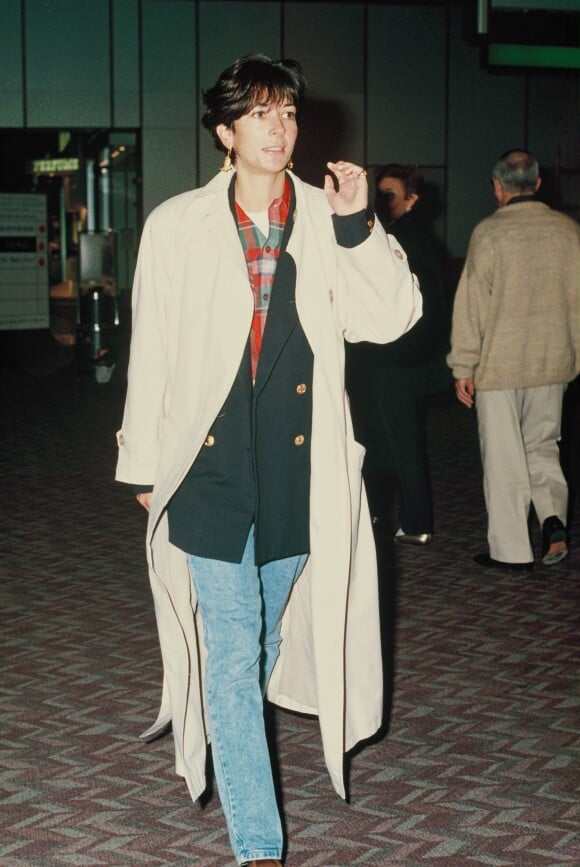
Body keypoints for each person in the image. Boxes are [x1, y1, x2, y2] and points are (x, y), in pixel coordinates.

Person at [115, 55, 422, 866]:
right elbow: (154, 349)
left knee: (256, 640)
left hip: (298, 468)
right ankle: (258, 843)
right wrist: (145, 465)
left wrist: (360, 225)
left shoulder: (327, 216)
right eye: (259, 114)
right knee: (230, 638)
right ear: (225, 131)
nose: (279, 127)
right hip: (210, 468)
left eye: (287, 112)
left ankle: (236, 697)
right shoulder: (177, 225)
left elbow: (392, 319)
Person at [447, 149, 580, 571]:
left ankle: (511, 552)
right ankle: (554, 519)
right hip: (553, 361)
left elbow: (470, 307)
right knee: (543, 445)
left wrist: (462, 366)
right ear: (539, 184)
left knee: (504, 457)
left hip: (500, 366)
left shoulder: (490, 232)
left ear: (497, 187)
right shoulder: (568, 231)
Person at [346, 164, 450, 545]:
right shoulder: (416, 236)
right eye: (381, 193)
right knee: (396, 439)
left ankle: (410, 520)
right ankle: (410, 519)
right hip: (406, 359)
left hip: (396, 360)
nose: (383, 201)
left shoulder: (403, 238)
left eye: (390, 194)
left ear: (412, 199)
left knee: (394, 440)